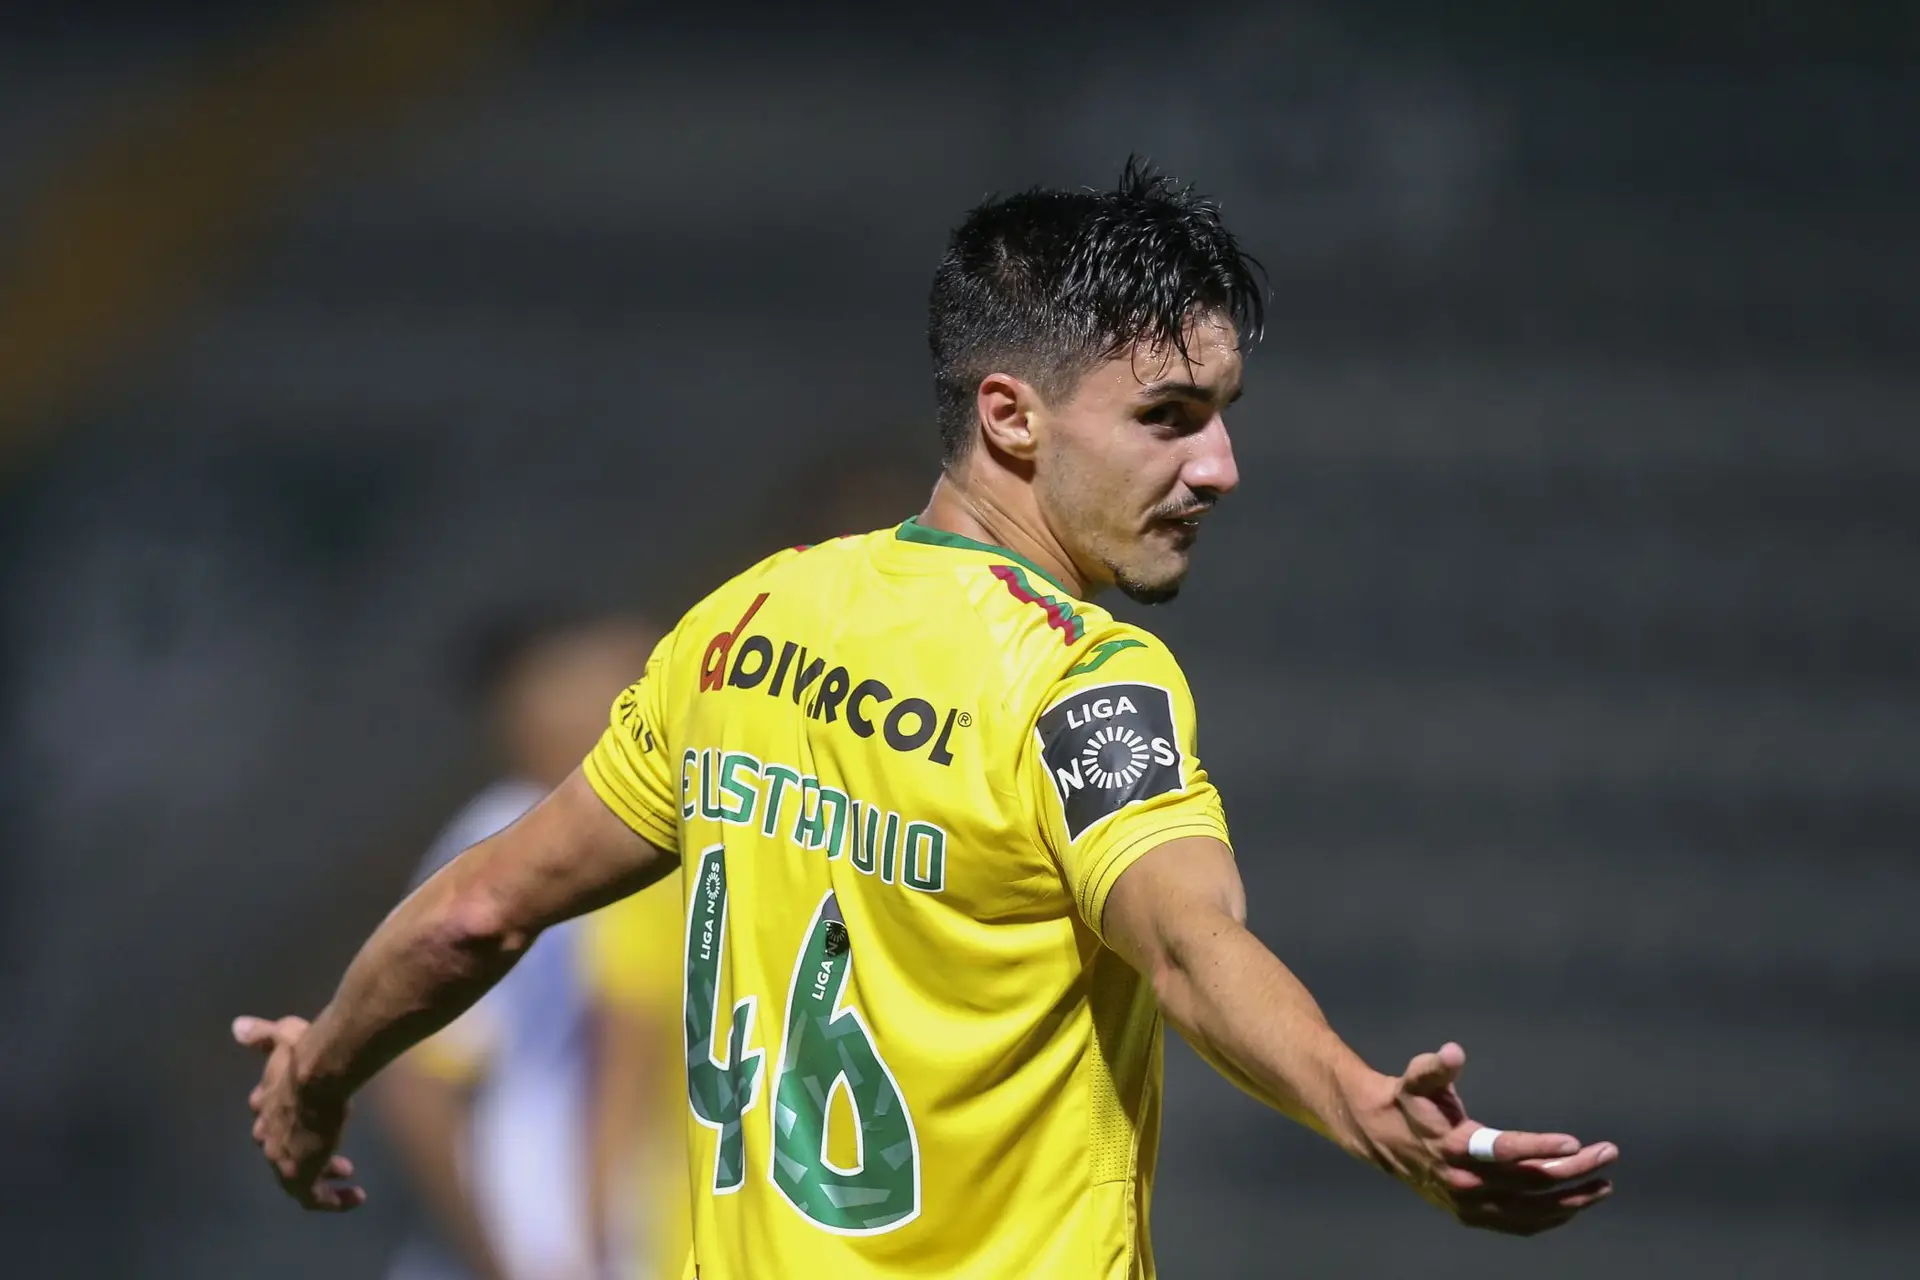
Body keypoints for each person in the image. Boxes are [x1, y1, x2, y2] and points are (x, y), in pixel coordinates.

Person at [236, 162, 1618, 1277]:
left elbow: (481, 910)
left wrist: (320, 1071)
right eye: (1170, 417)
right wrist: (1361, 1103)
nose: (1222, 467)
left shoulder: (744, 624)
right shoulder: (1078, 680)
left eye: (1224, 416)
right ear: (1012, 417)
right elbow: (1189, 946)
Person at [372, 609, 664, 1280]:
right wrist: (499, 1261)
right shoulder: (502, 849)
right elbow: (415, 1085)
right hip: (546, 1250)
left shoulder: (663, 836)